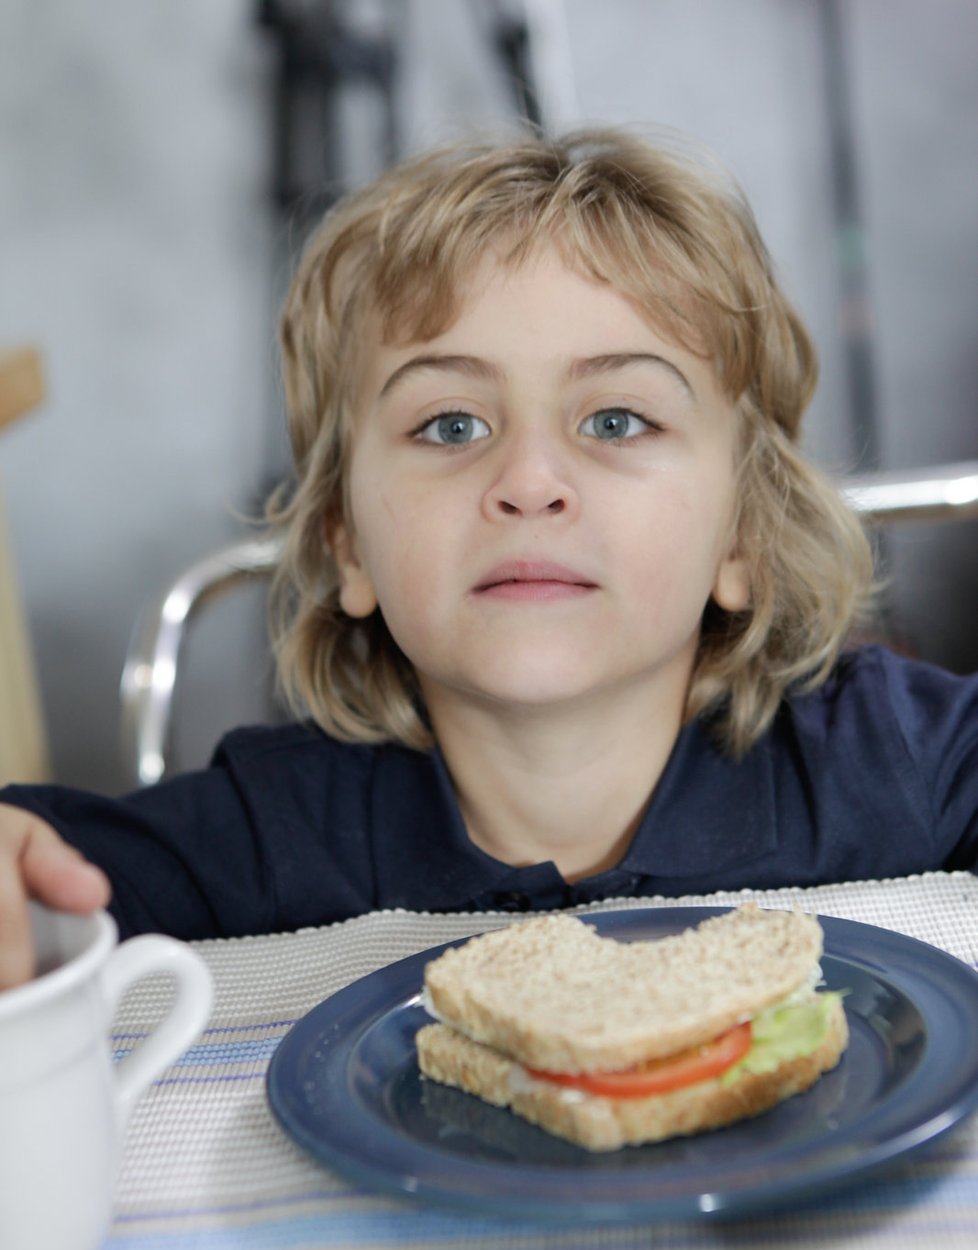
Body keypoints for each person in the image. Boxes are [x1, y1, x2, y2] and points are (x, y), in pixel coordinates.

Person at [2, 127, 976, 989]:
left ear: (745, 534)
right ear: (347, 540)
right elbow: (46, 879)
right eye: (452, 422)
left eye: (617, 418)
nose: (529, 480)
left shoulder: (891, 763)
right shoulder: (272, 833)